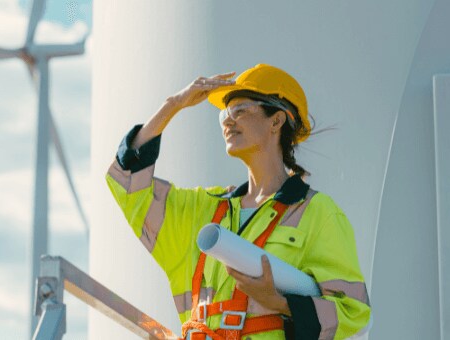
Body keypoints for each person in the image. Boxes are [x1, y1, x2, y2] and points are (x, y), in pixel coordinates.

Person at [105, 64, 371, 340]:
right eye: (224, 115)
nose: (227, 122)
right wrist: (173, 105)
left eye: (239, 111)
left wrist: (279, 302)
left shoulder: (318, 213)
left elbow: (354, 313)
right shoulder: (203, 210)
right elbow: (126, 182)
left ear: (276, 121)